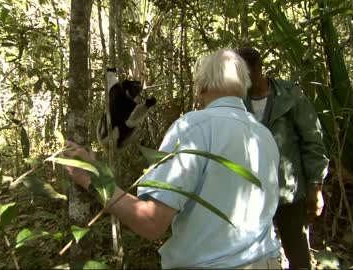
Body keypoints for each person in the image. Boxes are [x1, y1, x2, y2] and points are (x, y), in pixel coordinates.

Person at [63, 48, 282, 269]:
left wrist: (91, 177)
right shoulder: (264, 135)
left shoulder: (193, 127)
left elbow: (150, 222)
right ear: (243, 87)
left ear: (201, 87)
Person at [238, 47, 330, 269]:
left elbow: (312, 140)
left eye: (249, 72)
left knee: (298, 255)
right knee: (253, 258)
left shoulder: (289, 95)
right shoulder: (237, 102)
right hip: (251, 195)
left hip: (289, 191)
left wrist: (315, 186)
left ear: (259, 68)